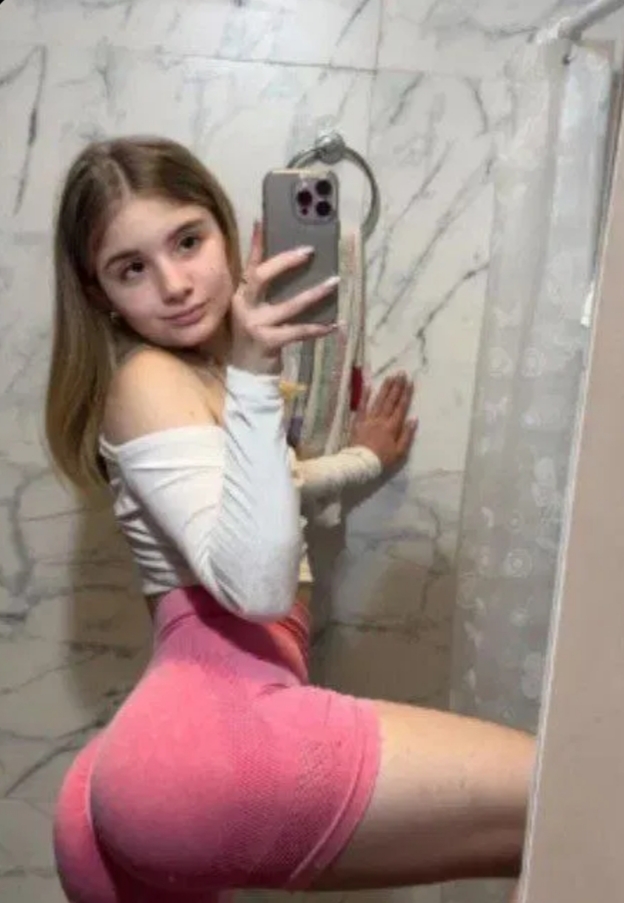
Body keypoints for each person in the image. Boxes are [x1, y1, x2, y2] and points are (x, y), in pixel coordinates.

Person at [46, 136, 534, 903]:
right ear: (99, 291)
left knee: (548, 831)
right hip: (211, 738)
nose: (174, 284)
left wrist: (363, 460)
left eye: (187, 241)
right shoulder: (149, 378)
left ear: (226, 230)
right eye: (131, 268)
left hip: (172, 751)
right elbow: (258, 587)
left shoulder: (197, 378)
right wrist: (252, 376)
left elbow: (262, 496)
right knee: (572, 793)